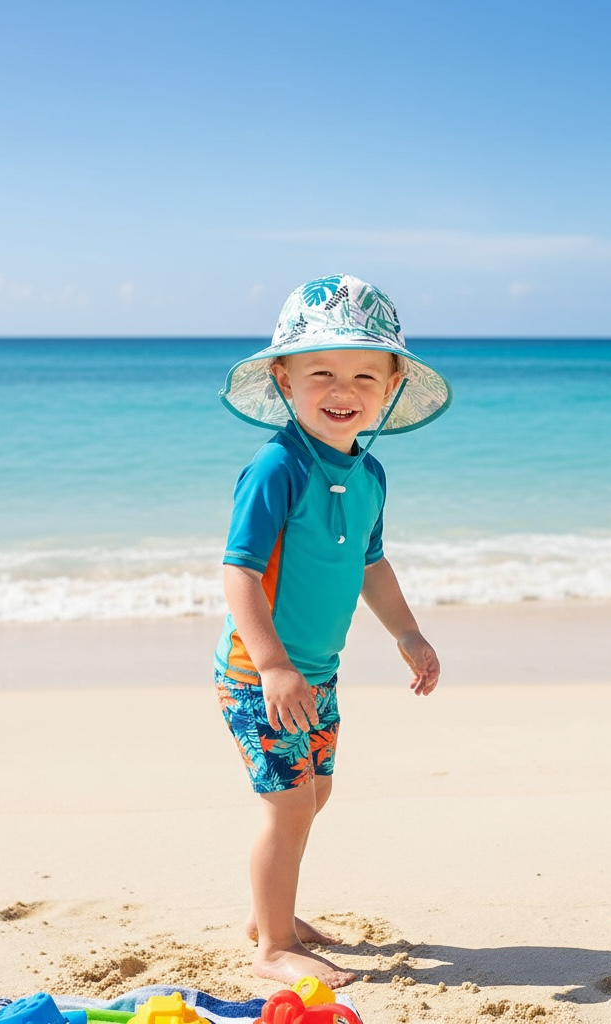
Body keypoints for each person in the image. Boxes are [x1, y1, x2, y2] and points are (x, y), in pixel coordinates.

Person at [214, 273, 452, 987]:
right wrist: (273, 663)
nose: (341, 388)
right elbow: (239, 572)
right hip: (263, 674)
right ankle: (272, 948)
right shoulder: (276, 468)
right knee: (286, 804)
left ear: (391, 385)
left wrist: (407, 634)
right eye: (320, 372)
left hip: (317, 671)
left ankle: (270, 915)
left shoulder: (370, 472)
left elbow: (372, 563)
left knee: (314, 795)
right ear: (284, 380)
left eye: (362, 374)